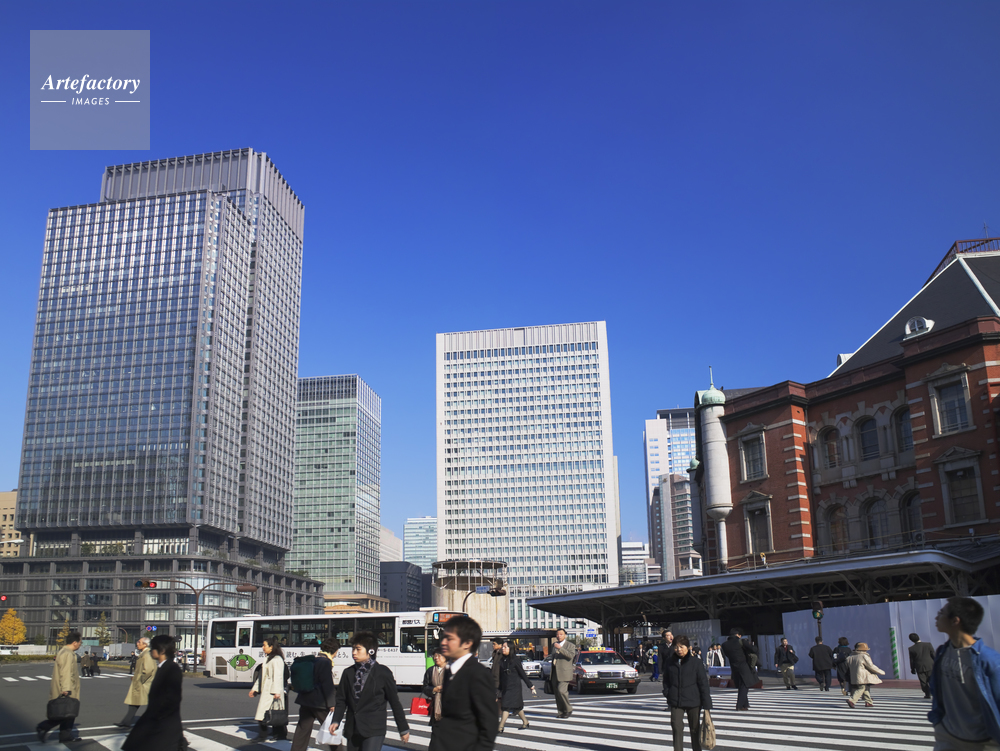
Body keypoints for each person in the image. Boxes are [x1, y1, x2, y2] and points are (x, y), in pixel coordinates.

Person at [929, 596, 1000, 750]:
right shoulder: (942, 652)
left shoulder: (989, 660)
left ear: (955, 621)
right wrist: (938, 721)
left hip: (984, 742)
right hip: (947, 736)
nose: (936, 617)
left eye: (941, 613)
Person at [429, 615, 498, 751]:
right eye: (443, 637)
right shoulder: (450, 670)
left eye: (449, 638)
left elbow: (489, 724)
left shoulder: (478, 674)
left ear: (467, 643)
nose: (443, 642)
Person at [330, 632, 410, 751]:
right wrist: (336, 720)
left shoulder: (383, 673)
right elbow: (341, 700)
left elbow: (394, 702)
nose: (354, 653)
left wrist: (403, 728)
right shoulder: (348, 672)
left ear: (371, 651)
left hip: (374, 728)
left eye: (358, 649)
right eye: (353, 649)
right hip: (353, 728)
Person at [122, 634, 184, 751]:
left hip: (163, 723)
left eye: (153, 648)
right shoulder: (163, 667)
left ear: (162, 650)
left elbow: (172, 698)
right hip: (159, 721)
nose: (151, 651)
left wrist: (157, 717)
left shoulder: (171, 668)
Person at [663, 635, 712, 751]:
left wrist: (707, 704)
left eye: (681, 647)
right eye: (676, 647)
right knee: (676, 726)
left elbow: (703, 683)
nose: (679, 650)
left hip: (693, 700)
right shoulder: (670, 662)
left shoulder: (696, 662)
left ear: (688, 647)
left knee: (695, 729)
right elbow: (666, 680)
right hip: (676, 700)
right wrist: (667, 693)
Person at [290, 638, 339, 751]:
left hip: (305, 698)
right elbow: (327, 684)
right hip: (319, 702)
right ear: (334, 651)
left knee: (302, 730)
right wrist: (332, 703)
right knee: (331, 729)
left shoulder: (314, 660)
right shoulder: (325, 662)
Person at [36, 631, 83, 744]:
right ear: (75, 642)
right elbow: (66, 671)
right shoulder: (68, 653)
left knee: (66, 712)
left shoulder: (64, 651)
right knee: (67, 712)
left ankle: (65, 735)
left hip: (66, 686)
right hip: (68, 687)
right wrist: (66, 688)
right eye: (80, 642)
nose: (80, 645)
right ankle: (44, 726)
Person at [250, 637, 288, 741]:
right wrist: (255, 689)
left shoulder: (277, 659)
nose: (263, 647)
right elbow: (261, 676)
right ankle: (277, 734)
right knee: (273, 712)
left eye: (264, 645)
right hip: (267, 689)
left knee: (270, 712)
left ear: (271, 647)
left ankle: (266, 735)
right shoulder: (268, 658)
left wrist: (276, 692)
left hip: (272, 690)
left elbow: (278, 676)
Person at [116, 637, 157, 728]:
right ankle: (126, 721)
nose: (137, 643)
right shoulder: (144, 653)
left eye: (139, 642)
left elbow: (148, 670)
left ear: (145, 644)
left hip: (144, 683)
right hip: (141, 682)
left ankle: (160, 721)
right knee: (134, 702)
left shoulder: (147, 654)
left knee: (147, 702)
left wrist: (140, 679)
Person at [498, 641, 536, 732]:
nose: (503, 648)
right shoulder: (502, 660)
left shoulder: (515, 660)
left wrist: (530, 686)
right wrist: (498, 689)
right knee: (517, 707)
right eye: (503, 647)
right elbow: (501, 676)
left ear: (510, 649)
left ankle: (500, 727)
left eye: (505, 647)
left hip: (514, 687)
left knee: (506, 706)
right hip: (506, 687)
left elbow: (522, 674)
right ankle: (525, 721)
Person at [720, 627, 756, 711]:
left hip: (733, 666)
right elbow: (754, 649)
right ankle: (739, 705)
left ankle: (745, 704)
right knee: (745, 684)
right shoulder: (741, 642)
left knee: (741, 685)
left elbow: (726, 655)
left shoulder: (724, 644)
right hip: (743, 665)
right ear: (738, 635)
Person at [845, 642, 885, 708]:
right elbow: (871, 666)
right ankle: (852, 700)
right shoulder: (864, 656)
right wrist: (880, 671)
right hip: (863, 676)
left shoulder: (850, 657)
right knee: (861, 688)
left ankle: (868, 702)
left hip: (854, 676)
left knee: (864, 688)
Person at [550, 628, 577, 719]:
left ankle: (568, 709)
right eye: (557, 634)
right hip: (555, 672)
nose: (559, 636)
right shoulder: (554, 645)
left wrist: (560, 648)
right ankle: (561, 711)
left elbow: (570, 656)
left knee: (562, 691)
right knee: (557, 693)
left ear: (565, 635)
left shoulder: (570, 645)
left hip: (564, 672)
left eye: (561, 634)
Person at [422, 648, 447, 724]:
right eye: (434, 656)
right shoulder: (430, 671)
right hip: (435, 706)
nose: (436, 658)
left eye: (439, 656)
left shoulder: (451, 670)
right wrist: (434, 689)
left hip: (449, 706)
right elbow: (425, 687)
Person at [909, 632, 935, 700]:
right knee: (932, 680)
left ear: (911, 640)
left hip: (919, 667)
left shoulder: (911, 649)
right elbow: (933, 655)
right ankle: (935, 692)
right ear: (919, 637)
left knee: (923, 682)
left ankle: (927, 694)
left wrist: (912, 669)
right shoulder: (928, 645)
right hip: (930, 665)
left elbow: (912, 660)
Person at [490, 637, 504, 716]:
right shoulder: (495, 653)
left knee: (498, 697)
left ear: (500, 645)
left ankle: (499, 713)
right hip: (494, 678)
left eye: (494, 644)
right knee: (496, 697)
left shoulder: (502, 654)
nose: (493, 645)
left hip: (499, 679)